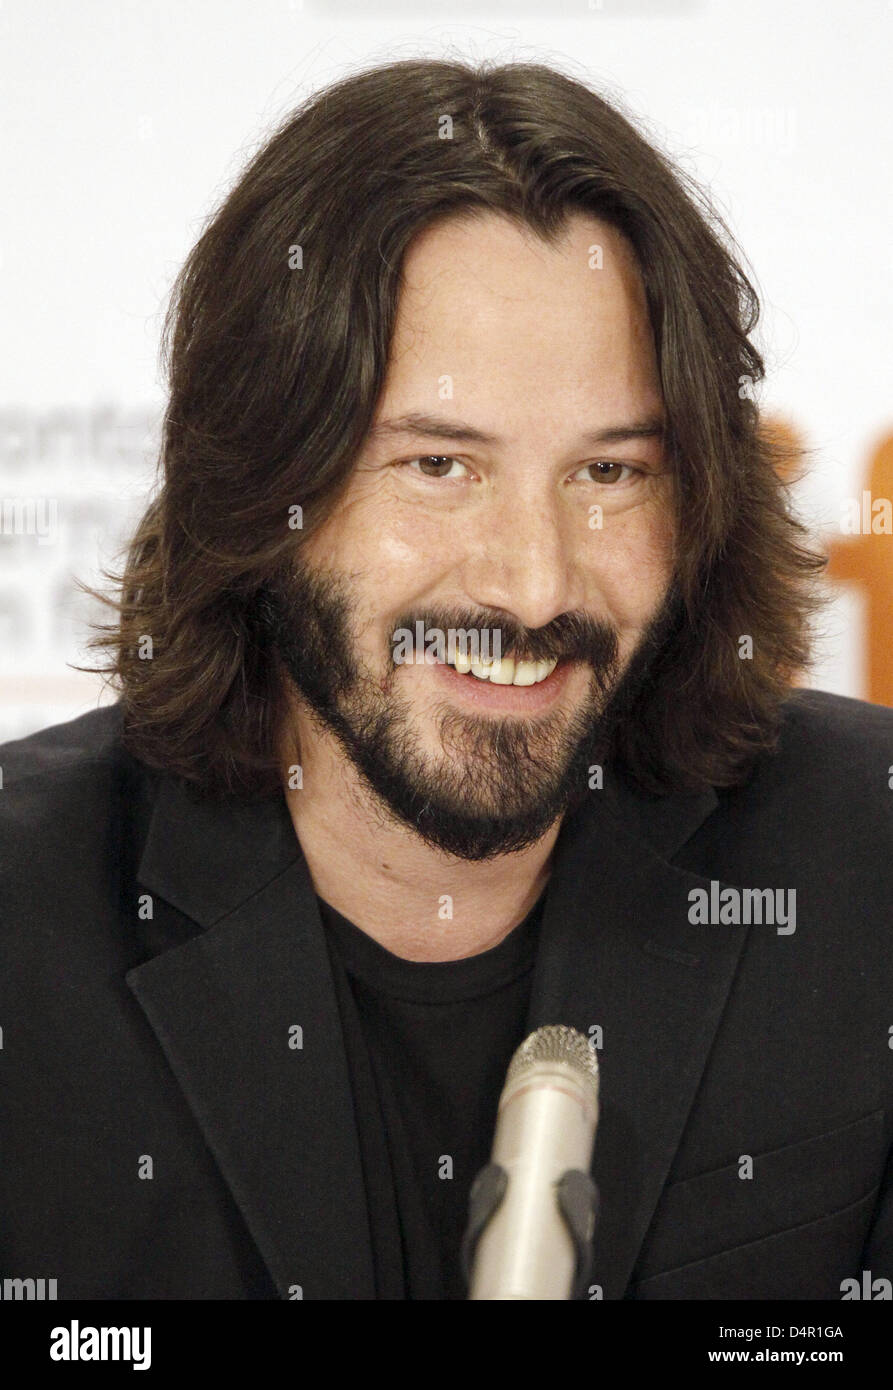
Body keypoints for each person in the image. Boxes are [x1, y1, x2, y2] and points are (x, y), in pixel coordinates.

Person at [1, 57, 891, 1302]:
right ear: (268, 488)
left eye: (609, 474)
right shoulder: (23, 918)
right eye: (436, 466)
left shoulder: (870, 859)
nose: (532, 587)